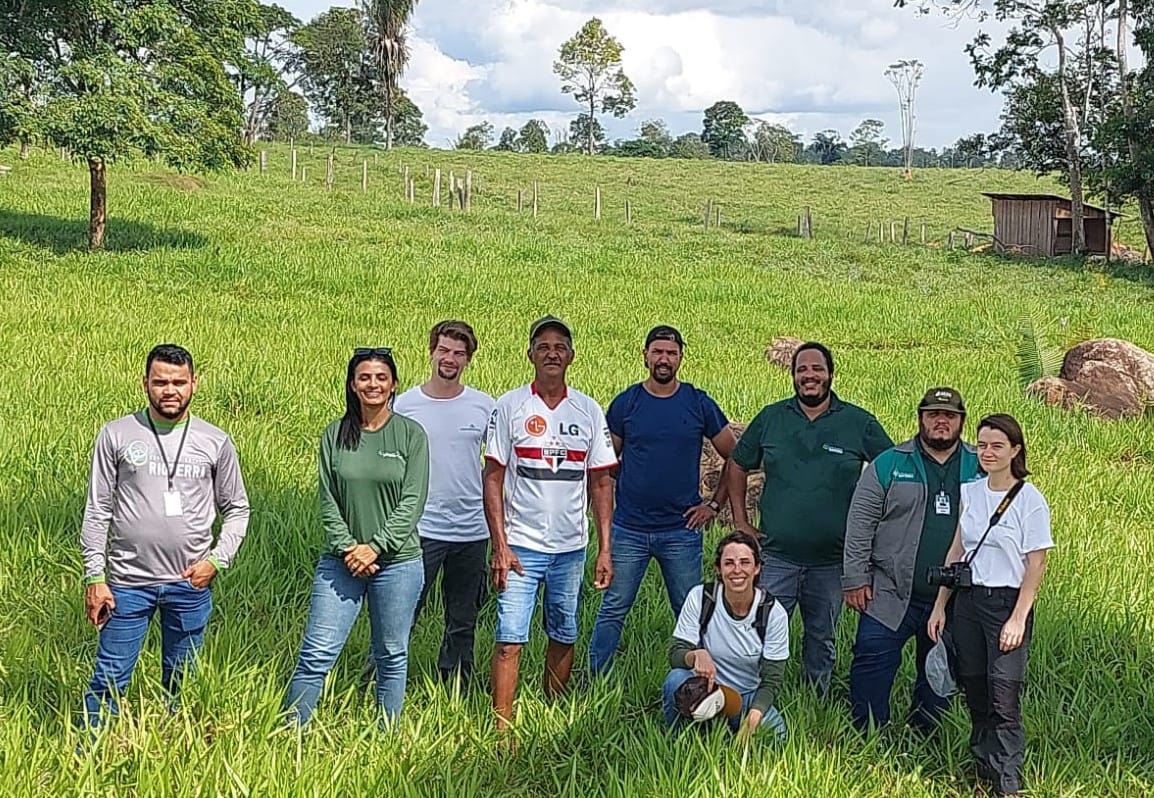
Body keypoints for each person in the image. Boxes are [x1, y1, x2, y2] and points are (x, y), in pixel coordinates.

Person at [79, 344, 250, 728]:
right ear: (145, 384)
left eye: (178, 382)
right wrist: (95, 576)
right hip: (126, 584)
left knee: (183, 681)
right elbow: (97, 509)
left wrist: (218, 560)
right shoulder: (117, 434)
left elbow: (237, 508)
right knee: (108, 679)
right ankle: (87, 755)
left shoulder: (215, 441)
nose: (169, 390)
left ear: (194, 383)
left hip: (189, 583)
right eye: (160, 382)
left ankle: (176, 749)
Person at [726, 342, 892, 696]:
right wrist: (741, 521)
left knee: (822, 639)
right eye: (802, 370)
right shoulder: (772, 418)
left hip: (832, 562)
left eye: (817, 369)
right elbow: (738, 462)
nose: (809, 376)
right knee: (762, 630)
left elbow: (892, 472)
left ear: (831, 374)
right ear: (793, 375)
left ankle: (815, 700)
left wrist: (876, 532)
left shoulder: (857, 422)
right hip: (776, 556)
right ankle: (755, 699)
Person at [285, 348, 429, 728]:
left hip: (397, 563)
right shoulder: (335, 434)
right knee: (316, 652)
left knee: (391, 654)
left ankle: (386, 734)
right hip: (341, 562)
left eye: (381, 377)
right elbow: (327, 499)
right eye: (364, 377)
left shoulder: (411, 436)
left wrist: (376, 546)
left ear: (394, 384)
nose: (373, 384)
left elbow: (413, 501)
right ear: (352, 384)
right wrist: (350, 547)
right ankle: (291, 730)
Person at [485, 316, 617, 730]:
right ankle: (502, 724)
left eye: (560, 346)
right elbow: (493, 477)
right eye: (543, 346)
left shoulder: (589, 410)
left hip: (570, 548)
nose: (552, 353)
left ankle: (553, 713)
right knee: (510, 637)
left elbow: (600, 481)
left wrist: (605, 547)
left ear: (572, 356)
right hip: (521, 547)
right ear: (530, 355)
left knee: (564, 631)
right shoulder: (510, 407)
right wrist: (500, 545)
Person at [589, 324, 737, 675]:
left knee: (691, 611)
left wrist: (713, 505)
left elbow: (735, 455)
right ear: (645, 356)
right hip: (630, 529)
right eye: (657, 352)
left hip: (681, 531)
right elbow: (605, 467)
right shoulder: (627, 403)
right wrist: (604, 523)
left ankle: (702, 683)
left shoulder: (697, 403)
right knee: (613, 608)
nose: (664, 359)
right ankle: (596, 678)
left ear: (681, 358)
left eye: (671, 353)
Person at [928, 414, 1053, 798]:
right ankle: (984, 766)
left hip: (1005, 603)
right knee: (975, 688)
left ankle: (1008, 781)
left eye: (997, 445)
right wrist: (940, 605)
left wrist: (1018, 616)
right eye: (982, 444)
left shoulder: (1029, 499)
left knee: (1004, 693)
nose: (988, 452)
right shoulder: (971, 492)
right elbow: (958, 549)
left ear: (1015, 450)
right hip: (968, 601)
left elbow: (1037, 562)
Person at [843, 387, 982, 732]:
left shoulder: (980, 466)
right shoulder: (890, 463)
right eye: (933, 414)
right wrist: (855, 578)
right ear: (920, 418)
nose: (941, 421)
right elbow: (860, 524)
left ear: (961, 422)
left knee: (939, 672)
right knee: (871, 663)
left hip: (954, 598)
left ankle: (924, 736)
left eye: (949, 415)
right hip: (889, 591)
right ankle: (868, 735)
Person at [393, 320, 494, 685]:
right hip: (421, 528)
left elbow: (498, 467)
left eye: (459, 353)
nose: (450, 359)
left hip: (472, 530)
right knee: (404, 611)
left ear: (468, 359)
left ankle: (455, 687)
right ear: (431, 351)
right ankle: (384, 681)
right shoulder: (405, 406)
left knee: (463, 618)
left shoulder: (484, 406)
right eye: (444, 350)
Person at [663, 531, 789, 742]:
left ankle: (734, 727)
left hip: (745, 696)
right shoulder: (701, 597)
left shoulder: (773, 613)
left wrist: (753, 719)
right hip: (704, 689)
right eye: (729, 563)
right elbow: (675, 654)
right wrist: (695, 656)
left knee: (777, 736)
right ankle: (677, 740)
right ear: (719, 569)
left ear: (757, 568)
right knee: (675, 679)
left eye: (745, 562)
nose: (737, 570)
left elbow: (772, 680)